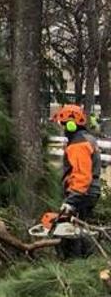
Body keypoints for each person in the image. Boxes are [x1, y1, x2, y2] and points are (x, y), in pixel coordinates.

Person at [51, 103, 102, 258]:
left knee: (70, 232)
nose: (62, 128)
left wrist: (72, 200)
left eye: (63, 124)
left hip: (82, 193)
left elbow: (82, 175)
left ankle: (75, 264)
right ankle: (85, 262)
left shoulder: (79, 144)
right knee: (78, 229)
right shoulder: (87, 139)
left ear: (71, 125)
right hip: (87, 191)